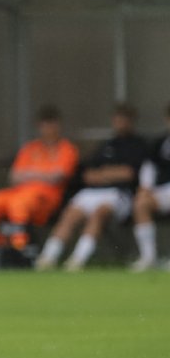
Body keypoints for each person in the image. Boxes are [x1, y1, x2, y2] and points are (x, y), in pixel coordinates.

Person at [34, 103, 147, 272]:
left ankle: (77, 259)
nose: (120, 122)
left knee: (99, 213)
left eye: (124, 119)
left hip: (119, 194)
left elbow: (130, 174)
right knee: (71, 213)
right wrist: (110, 173)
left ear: (131, 121)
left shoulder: (138, 145)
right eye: (117, 118)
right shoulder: (106, 145)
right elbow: (88, 174)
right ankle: (48, 257)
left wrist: (104, 174)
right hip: (94, 192)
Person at [0, 105, 79, 254]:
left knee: (19, 204)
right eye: (45, 125)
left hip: (46, 198)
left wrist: (30, 174)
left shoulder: (66, 149)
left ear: (58, 126)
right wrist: (42, 174)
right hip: (19, 192)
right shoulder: (30, 148)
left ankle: (19, 246)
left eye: (51, 125)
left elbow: (57, 177)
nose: (48, 129)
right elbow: (14, 176)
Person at [129, 103, 170, 272]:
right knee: (141, 203)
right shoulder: (160, 142)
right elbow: (149, 166)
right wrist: (145, 188)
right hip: (164, 190)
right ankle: (149, 257)